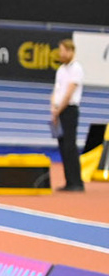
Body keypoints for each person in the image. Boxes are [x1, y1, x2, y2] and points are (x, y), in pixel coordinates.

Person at [52, 38, 86, 192]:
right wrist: (53, 107)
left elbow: (69, 93)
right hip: (59, 110)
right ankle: (68, 181)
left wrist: (59, 110)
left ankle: (76, 182)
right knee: (62, 145)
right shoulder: (61, 70)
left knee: (70, 146)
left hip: (69, 110)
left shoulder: (76, 69)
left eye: (63, 51)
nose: (61, 53)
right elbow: (56, 91)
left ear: (71, 51)